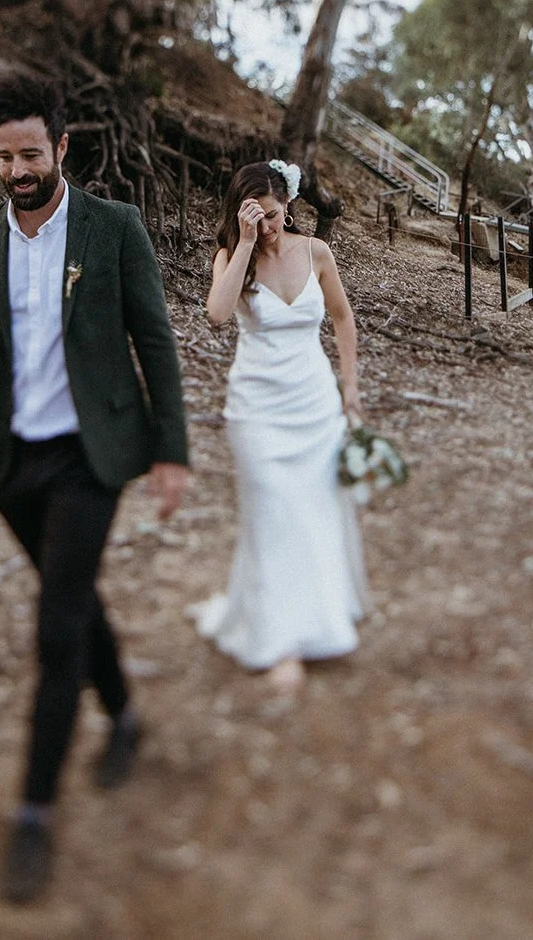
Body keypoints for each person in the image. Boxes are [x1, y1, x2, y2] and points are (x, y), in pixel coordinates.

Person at [0, 73, 190, 903]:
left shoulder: (113, 227)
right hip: (11, 461)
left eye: (30, 153)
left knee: (56, 628)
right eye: (3, 156)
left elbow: (154, 340)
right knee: (75, 595)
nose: (17, 170)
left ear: (61, 145)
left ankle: (33, 813)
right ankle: (123, 712)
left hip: (91, 457)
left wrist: (171, 450)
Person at [195, 160, 368, 693]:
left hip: (314, 404)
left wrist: (350, 389)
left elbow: (342, 317)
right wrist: (245, 243)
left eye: (272, 215)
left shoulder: (316, 252)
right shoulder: (232, 257)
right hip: (258, 408)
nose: (268, 226)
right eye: (257, 217)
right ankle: (278, 642)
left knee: (312, 513)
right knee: (270, 511)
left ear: (288, 205)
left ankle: (317, 617)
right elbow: (216, 314)